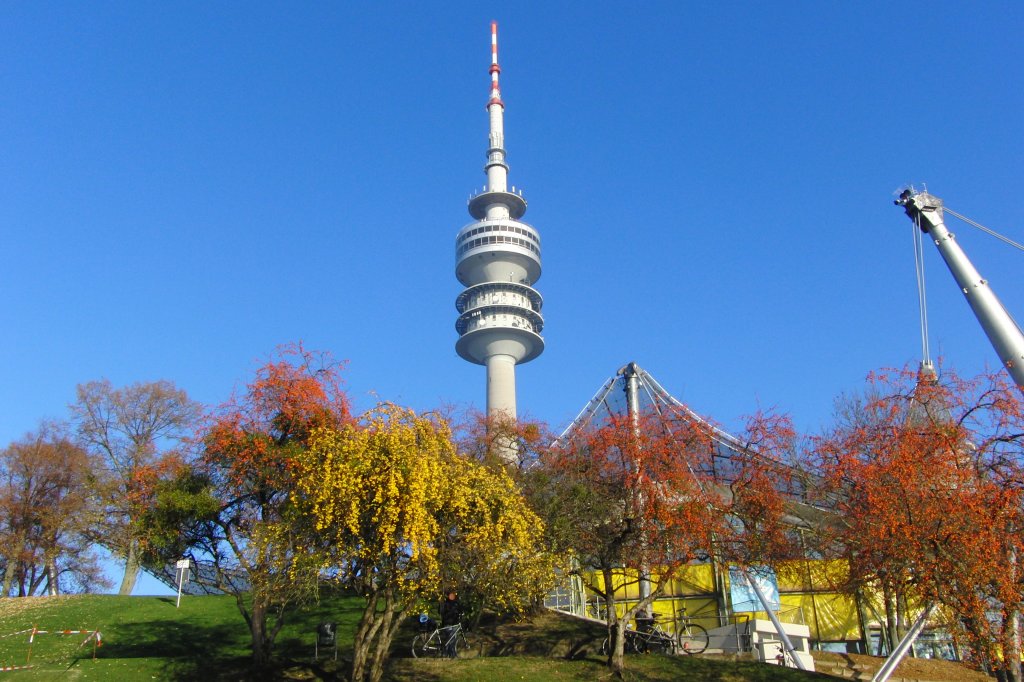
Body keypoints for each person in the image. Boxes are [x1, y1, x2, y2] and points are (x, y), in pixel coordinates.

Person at [439, 589, 463, 658]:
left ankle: (451, 653)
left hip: (455, 623)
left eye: (453, 595)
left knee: (453, 639)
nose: (452, 596)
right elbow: (442, 612)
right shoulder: (445, 603)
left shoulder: (456, 603)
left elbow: (461, 610)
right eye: (450, 595)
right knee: (449, 638)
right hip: (448, 623)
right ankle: (448, 653)